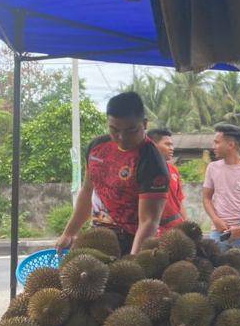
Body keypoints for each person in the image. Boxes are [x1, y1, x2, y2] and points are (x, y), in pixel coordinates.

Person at [56, 91, 168, 255]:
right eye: (114, 129)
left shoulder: (152, 162)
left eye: (131, 130)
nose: (121, 137)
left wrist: (134, 261)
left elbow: (149, 221)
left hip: (132, 242)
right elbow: (87, 191)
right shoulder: (97, 147)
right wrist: (69, 233)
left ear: (144, 124)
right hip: (99, 235)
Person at [202, 123, 240, 250]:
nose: (213, 147)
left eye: (217, 143)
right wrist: (215, 220)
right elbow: (206, 198)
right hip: (219, 232)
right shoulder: (212, 168)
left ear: (231, 145)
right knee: (218, 268)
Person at [147, 128, 187, 232]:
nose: (172, 148)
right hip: (151, 230)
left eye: (172, 144)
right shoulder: (140, 170)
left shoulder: (174, 170)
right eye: (167, 144)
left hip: (176, 229)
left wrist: (187, 225)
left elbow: (179, 200)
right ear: (153, 145)